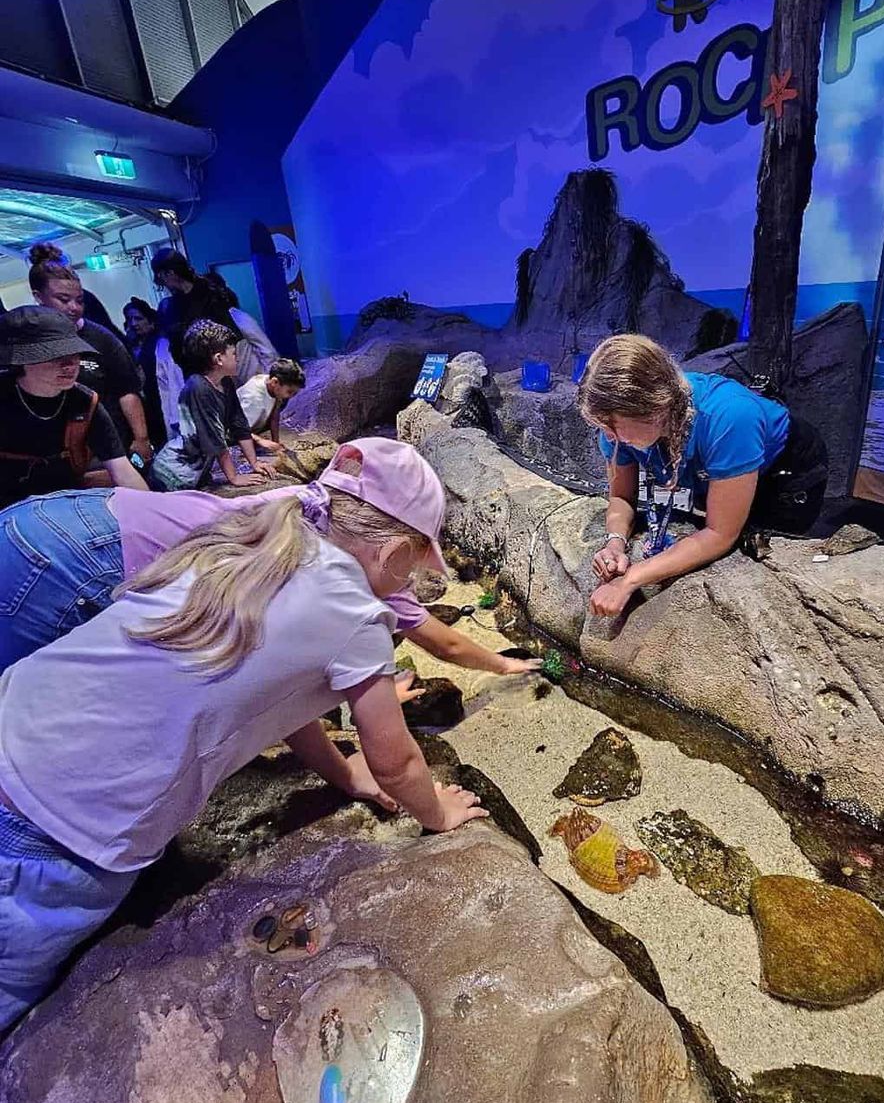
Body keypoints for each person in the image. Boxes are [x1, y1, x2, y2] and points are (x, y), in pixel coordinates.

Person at [0, 440, 489, 1029]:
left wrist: (339, 770)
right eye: (415, 567)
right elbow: (395, 762)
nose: (412, 581)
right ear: (394, 553)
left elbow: (278, 703)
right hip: (56, 830)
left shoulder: (260, 540)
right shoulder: (358, 616)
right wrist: (436, 812)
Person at [0, 453, 545, 680]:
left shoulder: (313, 507)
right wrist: (504, 667)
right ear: (398, 546)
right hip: (81, 566)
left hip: (67, 516)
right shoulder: (346, 565)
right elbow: (442, 644)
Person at [578, 334, 828, 618]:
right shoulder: (618, 429)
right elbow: (622, 497)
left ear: (653, 409)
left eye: (614, 427)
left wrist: (631, 579)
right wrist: (615, 542)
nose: (609, 437)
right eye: (602, 426)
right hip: (714, 467)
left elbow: (720, 534)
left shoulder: (729, 416)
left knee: (755, 544)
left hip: (784, 472)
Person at [0, 307, 147, 510]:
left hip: (65, 506)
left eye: (74, 352)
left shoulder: (85, 402)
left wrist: (153, 517)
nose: (70, 364)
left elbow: (122, 470)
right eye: (55, 355)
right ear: (20, 360)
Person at [28, 244, 152, 467]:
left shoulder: (102, 339)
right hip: (55, 449)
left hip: (107, 446)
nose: (74, 307)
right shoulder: (26, 343)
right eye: (63, 300)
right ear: (38, 297)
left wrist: (141, 439)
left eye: (79, 300)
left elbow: (127, 391)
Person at [151, 320, 275, 491]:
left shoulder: (226, 382)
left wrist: (254, 463)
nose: (237, 358)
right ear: (219, 359)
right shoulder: (198, 387)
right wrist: (234, 477)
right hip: (174, 470)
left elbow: (238, 423)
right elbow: (214, 437)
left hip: (198, 469)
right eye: (233, 354)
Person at [151, 249, 278, 385]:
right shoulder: (174, 306)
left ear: (170, 273)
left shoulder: (211, 291)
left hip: (235, 355)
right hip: (211, 369)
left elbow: (243, 327)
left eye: (161, 278)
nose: (163, 284)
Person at [122, 298, 170, 449]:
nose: (134, 323)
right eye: (130, 319)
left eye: (138, 318)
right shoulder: (128, 345)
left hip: (160, 400)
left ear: (150, 321)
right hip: (141, 404)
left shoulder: (160, 344)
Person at [237, 357, 306, 454]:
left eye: (294, 394)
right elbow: (237, 429)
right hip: (234, 433)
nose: (290, 397)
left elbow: (275, 415)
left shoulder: (273, 387)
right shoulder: (253, 398)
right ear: (274, 382)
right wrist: (260, 441)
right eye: (289, 392)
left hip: (252, 428)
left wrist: (276, 443)